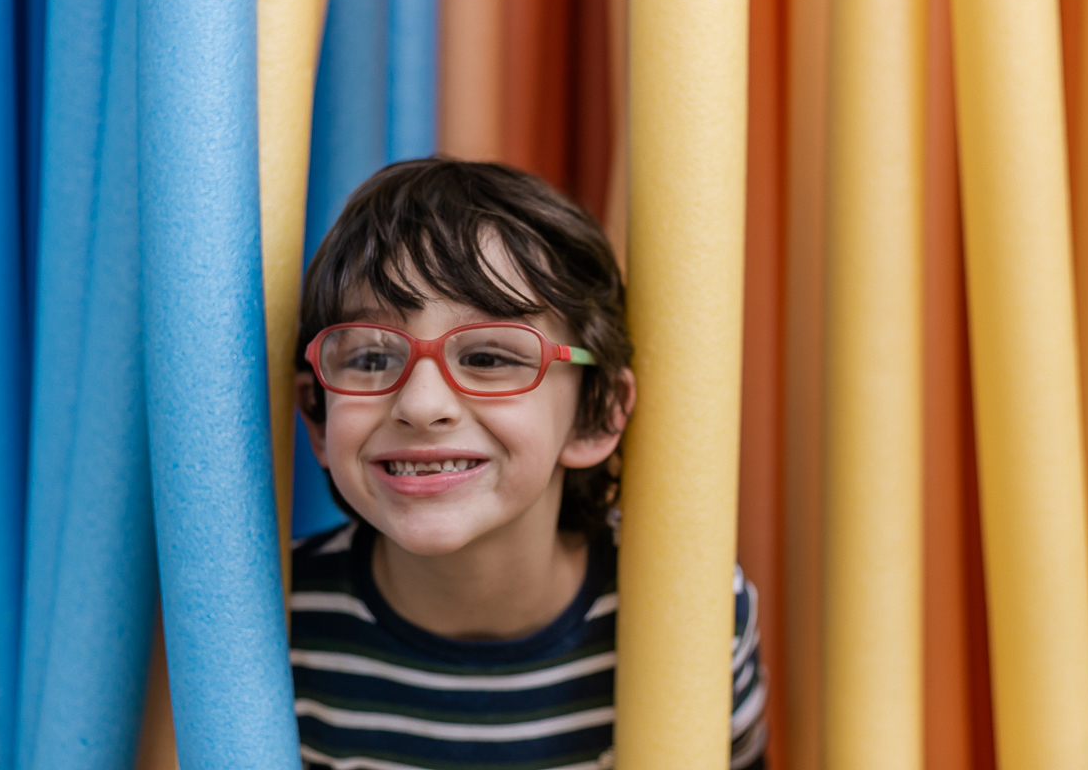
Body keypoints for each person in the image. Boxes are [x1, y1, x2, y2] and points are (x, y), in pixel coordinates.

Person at [291, 158, 767, 770]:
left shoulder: (694, 610)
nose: (421, 404)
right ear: (318, 417)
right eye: (373, 359)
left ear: (596, 414)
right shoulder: (282, 620)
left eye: (489, 357)